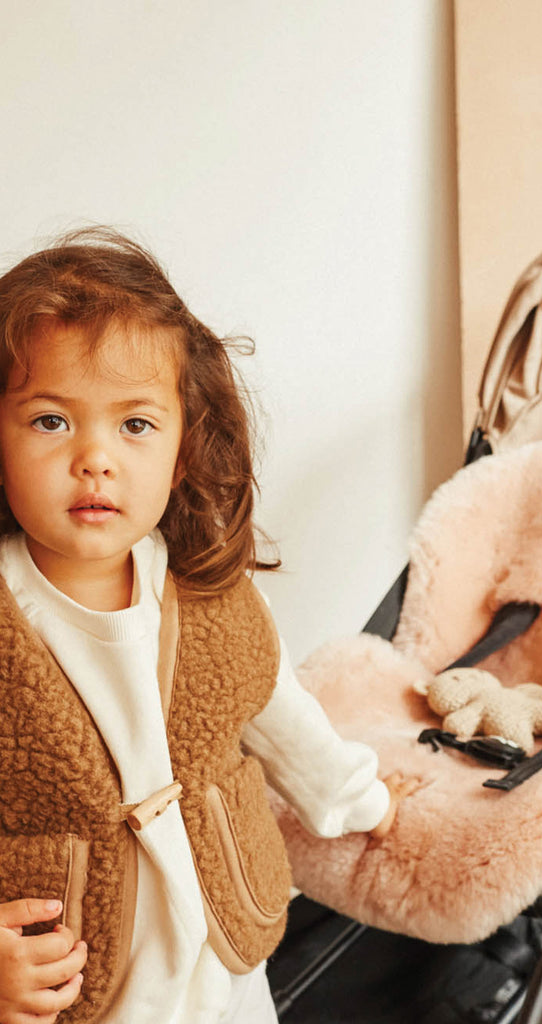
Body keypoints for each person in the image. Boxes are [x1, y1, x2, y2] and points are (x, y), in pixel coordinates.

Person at [0, 229, 417, 1024]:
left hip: (217, 962)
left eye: (135, 426)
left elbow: (284, 721)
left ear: (184, 450)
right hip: (71, 984)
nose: (95, 458)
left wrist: (367, 803)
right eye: (51, 422)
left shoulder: (212, 601)